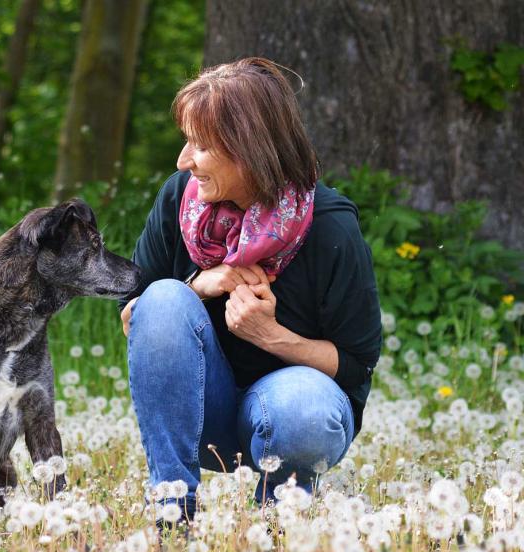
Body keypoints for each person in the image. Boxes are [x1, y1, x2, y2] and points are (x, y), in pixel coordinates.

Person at [119, 57, 382, 522]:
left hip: (289, 413)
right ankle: (172, 512)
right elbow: (133, 319)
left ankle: (278, 518)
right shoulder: (178, 199)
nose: (184, 161)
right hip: (199, 411)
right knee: (162, 297)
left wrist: (270, 335)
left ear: (247, 149)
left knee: (303, 411)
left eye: (199, 146)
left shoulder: (330, 227)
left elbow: (356, 364)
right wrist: (199, 285)